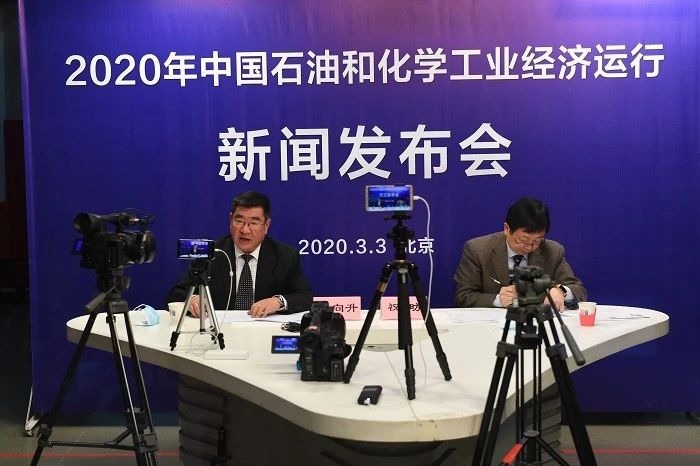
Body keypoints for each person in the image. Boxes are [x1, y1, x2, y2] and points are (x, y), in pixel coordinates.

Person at [166, 191, 313, 318]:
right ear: (230, 220)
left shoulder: (285, 256)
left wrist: (278, 301)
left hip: (262, 330)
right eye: (239, 220)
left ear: (266, 225)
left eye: (254, 223)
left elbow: (305, 297)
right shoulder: (211, 253)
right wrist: (192, 299)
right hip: (219, 331)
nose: (245, 230)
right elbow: (175, 294)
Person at [454, 197, 586, 310]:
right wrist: (498, 299)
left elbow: (578, 289)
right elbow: (463, 296)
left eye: (537, 240)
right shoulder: (478, 250)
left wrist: (560, 291)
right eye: (523, 240)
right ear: (507, 229)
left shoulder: (553, 251)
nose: (530, 246)